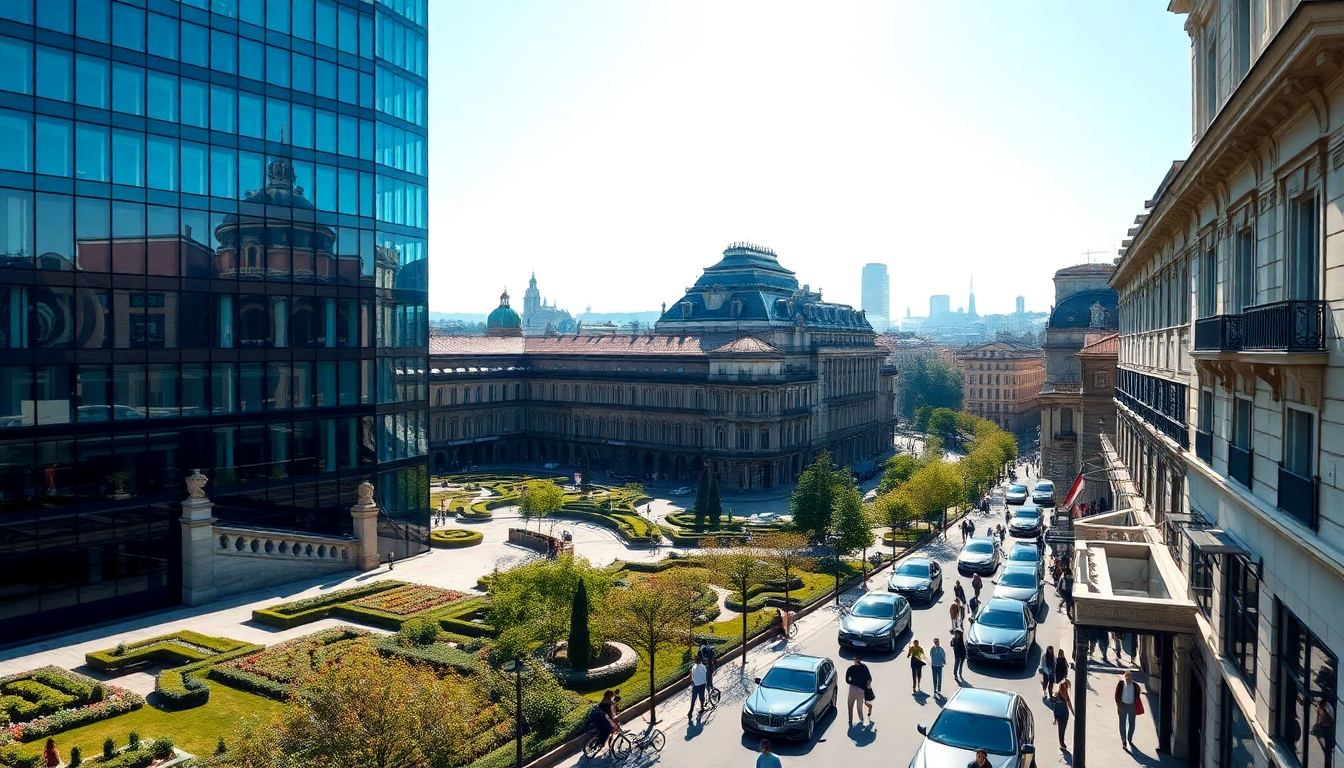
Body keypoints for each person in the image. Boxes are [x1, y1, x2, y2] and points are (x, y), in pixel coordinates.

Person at [1115, 670, 1142, 749]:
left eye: (1130, 677)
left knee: (1132, 723)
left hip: (1132, 705)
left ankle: (1129, 738)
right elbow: (1117, 694)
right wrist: (1118, 703)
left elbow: (1138, 693)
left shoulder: (1135, 685)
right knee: (1122, 723)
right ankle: (1123, 739)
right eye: (1127, 677)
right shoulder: (1121, 684)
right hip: (1122, 705)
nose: (1128, 679)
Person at [845, 656, 873, 726]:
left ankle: (850, 720)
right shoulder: (864, 668)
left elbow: (847, 680)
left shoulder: (851, 669)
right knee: (859, 706)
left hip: (852, 689)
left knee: (850, 705)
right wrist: (866, 687)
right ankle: (861, 719)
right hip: (861, 690)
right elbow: (869, 679)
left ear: (854, 661)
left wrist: (851, 683)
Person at [1052, 677, 1075, 751]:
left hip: (1065, 713)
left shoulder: (1066, 695)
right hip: (1060, 713)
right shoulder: (1058, 694)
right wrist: (1055, 717)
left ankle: (1062, 742)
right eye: (1066, 686)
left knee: (1063, 728)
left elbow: (1069, 704)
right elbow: (1055, 707)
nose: (1067, 688)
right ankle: (1061, 742)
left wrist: (1073, 712)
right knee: (1060, 728)